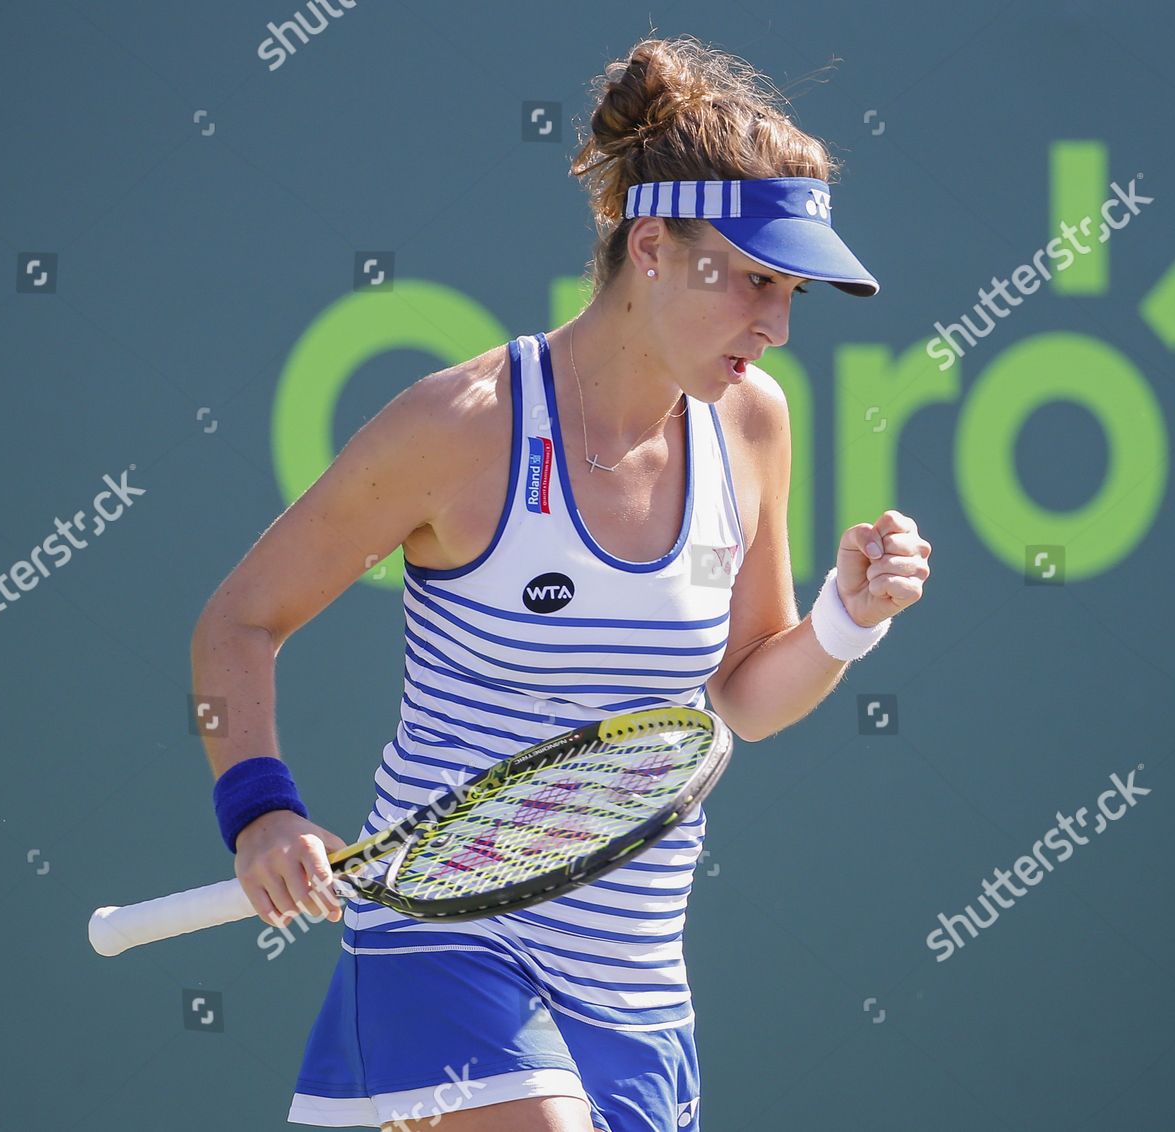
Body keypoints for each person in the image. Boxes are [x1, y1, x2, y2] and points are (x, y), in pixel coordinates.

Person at [191, 33, 930, 1132]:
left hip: (635, 989)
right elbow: (240, 620)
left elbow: (736, 702)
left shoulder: (756, 425)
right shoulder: (461, 428)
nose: (775, 325)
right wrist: (261, 813)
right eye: (756, 281)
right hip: (446, 946)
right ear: (652, 248)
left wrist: (847, 618)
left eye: (793, 293)